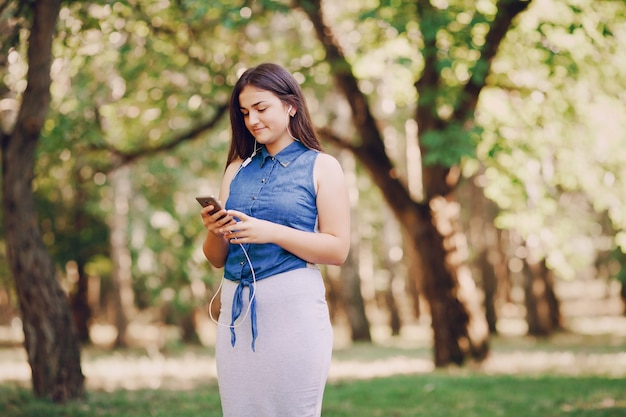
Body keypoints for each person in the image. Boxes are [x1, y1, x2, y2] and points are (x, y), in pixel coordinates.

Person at [200, 63, 351, 417]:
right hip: (235, 311)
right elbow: (217, 258)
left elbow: (338, 249)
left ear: (291, 105)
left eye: (261, 108)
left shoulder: (322, 166)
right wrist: (213, 229)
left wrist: (270, 233)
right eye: (245, 112)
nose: (252, 120)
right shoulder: (236, 169)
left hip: (293, 310)